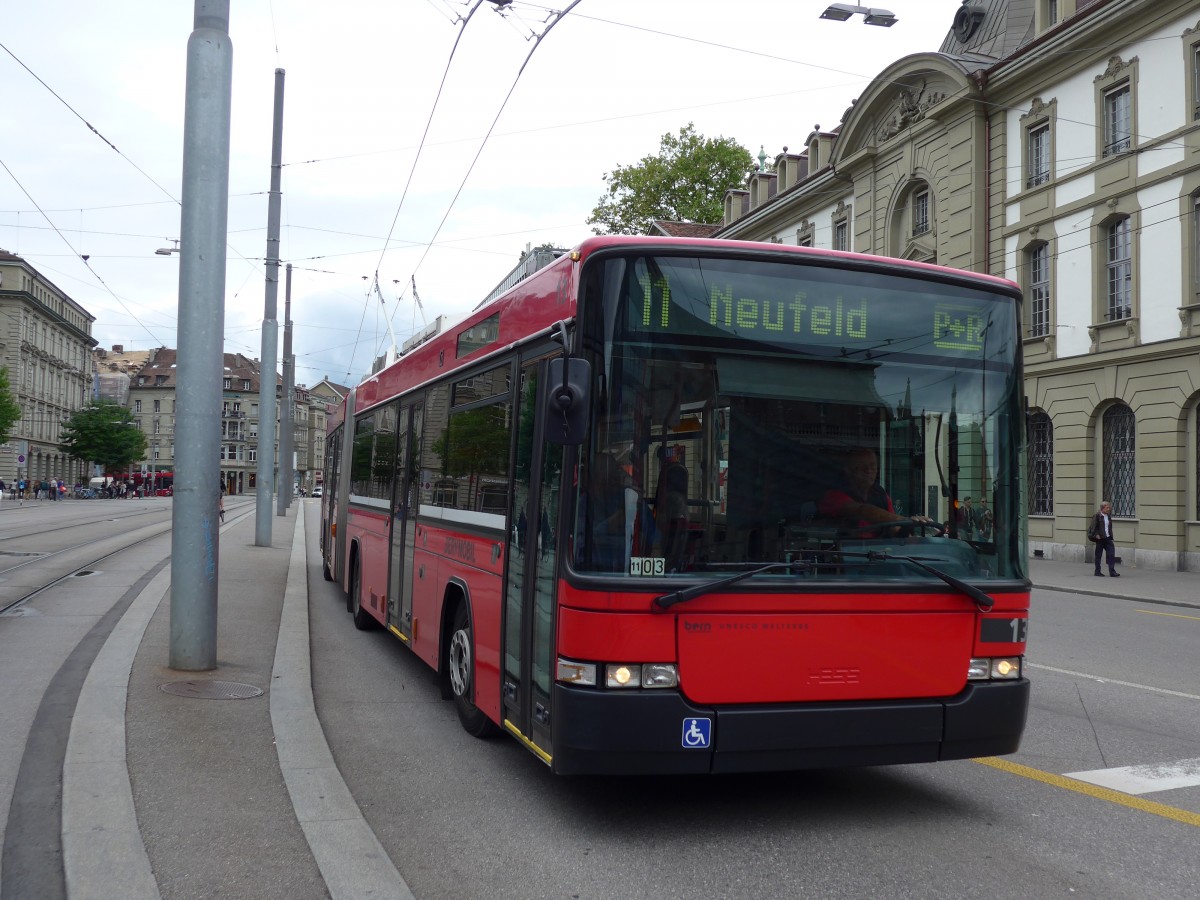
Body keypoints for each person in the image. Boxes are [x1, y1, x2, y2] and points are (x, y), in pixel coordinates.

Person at [818, 447, 938, 537]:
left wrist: (921, 537)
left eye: (873, 466)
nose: (869, 471)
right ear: (848, 471)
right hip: (846, 558)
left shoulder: (879, 493)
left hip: (881, 556)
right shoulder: (833, 495)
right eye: (862, 467)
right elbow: (862, 511)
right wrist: (903, 520)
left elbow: (894, 528)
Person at [1091, 500, 1120, 577]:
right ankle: (1097, 571)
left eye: (1109, 508)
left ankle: (1112, 572)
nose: (1109, 509)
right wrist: (1097, 534)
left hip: (1107, 538)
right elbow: (1093, 527)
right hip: (1100, 539)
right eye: (1107, 508)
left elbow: (1108, 527)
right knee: (1098, 556)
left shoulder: (1108, 516)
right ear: (1102, 508)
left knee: (1111, 554)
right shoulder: (1097, 516)